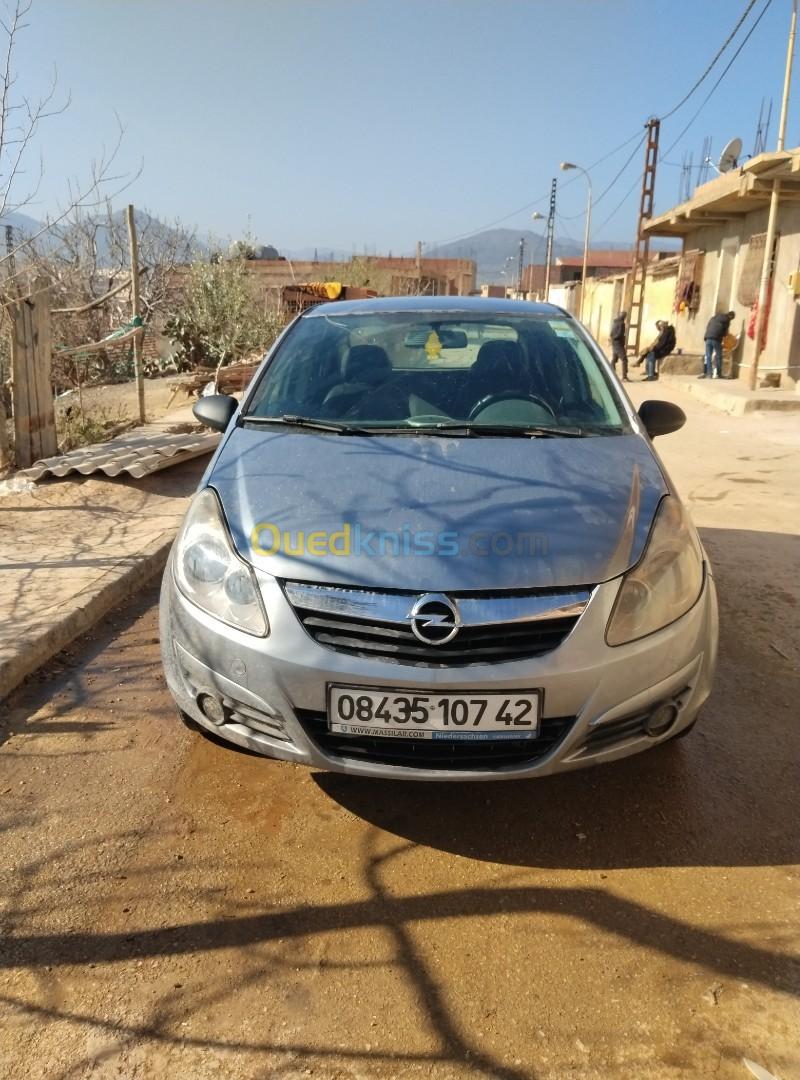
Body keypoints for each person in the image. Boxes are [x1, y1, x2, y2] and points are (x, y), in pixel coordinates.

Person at [701, 310, 735, 379]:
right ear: (731, 317)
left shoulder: (715, 317)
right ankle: (719, 374)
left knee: (708, 356)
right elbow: (725, 333)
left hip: (708, 337)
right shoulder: (727, 319)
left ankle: (709, 374)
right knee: (719, 356)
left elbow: (708, 326)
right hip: (716, 338)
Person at [609, 311, 629, 380]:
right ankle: (624, 376)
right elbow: (620, 334)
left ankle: (611, 373)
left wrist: (612, 339)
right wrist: (620, 338)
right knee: (624, 359)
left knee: (614, 359)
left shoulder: (615, 322)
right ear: (624, 316)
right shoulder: (621, 324)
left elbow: (611, 333)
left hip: (614, 343)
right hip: (619, 344)